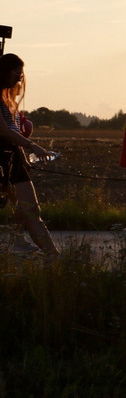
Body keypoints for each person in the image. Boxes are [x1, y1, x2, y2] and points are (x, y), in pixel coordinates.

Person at [0, 53, 59, 257]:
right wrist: (33, 146)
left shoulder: (9, 97)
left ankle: (51, 255)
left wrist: (22, 154)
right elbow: (4, 131)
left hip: (14, 156)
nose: (19, 78)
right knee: (23, 205)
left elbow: (13, 128)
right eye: (16, 73)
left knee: (30, 207)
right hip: (0, 156)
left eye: (21, 74)